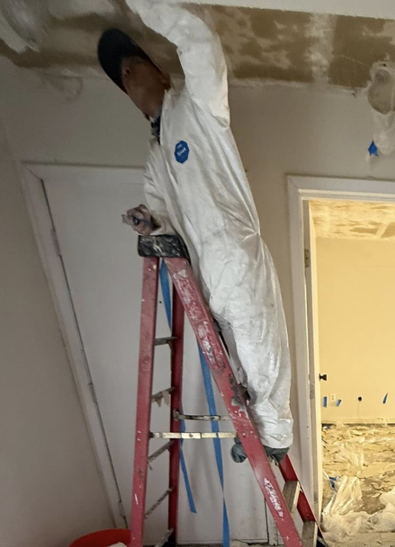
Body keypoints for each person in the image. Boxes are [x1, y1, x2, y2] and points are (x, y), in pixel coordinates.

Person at [97, 3, 293, 461]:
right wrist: (148, 221)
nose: (128, 80)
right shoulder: (156, 155)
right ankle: (256, 431)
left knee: (261, 346)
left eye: (132, 66)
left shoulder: (199, 108)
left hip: (234, 255)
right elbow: (162, 211)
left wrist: (148, 6)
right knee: (233, 355)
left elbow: (202, 42)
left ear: (161, 73)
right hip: (203, 273)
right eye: (121, 78)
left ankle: (276, 438)